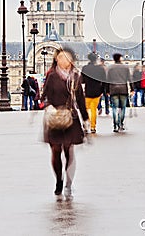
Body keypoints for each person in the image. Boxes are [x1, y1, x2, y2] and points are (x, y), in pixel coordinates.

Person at [41, 46, 89, 197]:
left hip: (70, 117)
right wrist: (48, 107)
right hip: (55, 116)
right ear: (57, 60)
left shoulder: (75, 77)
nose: (65, 61)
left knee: (69, 150)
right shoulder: (52, 76)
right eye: (62, 58)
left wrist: (86, 118)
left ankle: (69, 179)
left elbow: (80, 99)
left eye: (67, 58)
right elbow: (45, 96)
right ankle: (58, 180)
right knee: (56, 150)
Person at [106, 53, 132, 132]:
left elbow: (107, 80)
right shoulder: (125, 67)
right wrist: (132, 89)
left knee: (114, 108)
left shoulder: (110, 68)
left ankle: (115, 125)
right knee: (123, 108)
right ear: (120, 58)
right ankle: (121, 123)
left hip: (113, 89)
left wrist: (107, 90)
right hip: (123, 89)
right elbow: (130, 79)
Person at [82, 53, 107, 133]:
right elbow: (104, 81)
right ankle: (93, 127)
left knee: (86, 109)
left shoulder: (85, 68)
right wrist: (103, 91)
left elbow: (82, 80)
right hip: (97, 91)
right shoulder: (100, 69)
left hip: (88, 90)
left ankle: (86, 125)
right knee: (93, 110)